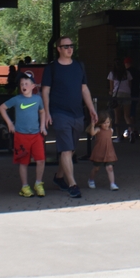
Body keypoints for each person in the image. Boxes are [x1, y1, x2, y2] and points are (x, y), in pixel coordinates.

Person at [41, 35, 98, 199]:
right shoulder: (51, 68)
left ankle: (59, 177)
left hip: (77, 114)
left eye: (71, 46)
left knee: (71, 149)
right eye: (66, 46)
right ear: (58, 49)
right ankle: (72, 185)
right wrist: (47, 112)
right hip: (59, 113)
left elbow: (84, 88)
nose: (69, 49)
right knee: (66, 149)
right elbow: (45, 91)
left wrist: (91, 109)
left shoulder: (79, 66)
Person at [0, 71, 47, 197]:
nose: (23, 86)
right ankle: (25, 186)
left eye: (26, 83)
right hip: (21, 136)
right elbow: (2, 108)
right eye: (21, 84)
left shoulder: (37, 99)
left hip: (36, 135)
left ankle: (38, 183)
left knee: (41, 160)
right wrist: (10, 123)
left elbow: (42, 112)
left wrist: (42, 126)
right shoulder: (17, 99)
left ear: (33, 86)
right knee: (23, 162)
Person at [86, 112, 119, 190]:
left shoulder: (111, 130)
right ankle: (91, 179)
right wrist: (93, 125)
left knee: (110, 167)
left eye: (108, 122)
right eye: (104, 123)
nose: (106, 124)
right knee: (96, 168)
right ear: (100, 123)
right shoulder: (98, 130)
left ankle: (112, 183)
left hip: (109, 151)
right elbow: (92, 133)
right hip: (99, 151)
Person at [107, 59, 133, 140]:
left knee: (117, 117)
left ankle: (118, 136)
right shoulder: (127, 73)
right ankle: (131, 131)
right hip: (127, 94)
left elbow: (111, 88)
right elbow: (130, 85)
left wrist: (110, 92)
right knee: (127, 116)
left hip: (117, 95)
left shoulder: (112, 74)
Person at [123, 56, 140, 142]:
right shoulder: (137, 71)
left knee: (128, 113)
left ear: (126, 64)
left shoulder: (127, 72)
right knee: (133, 112)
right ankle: (134, 130)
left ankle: (132, 130)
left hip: (129, 93)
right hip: (136, 92)